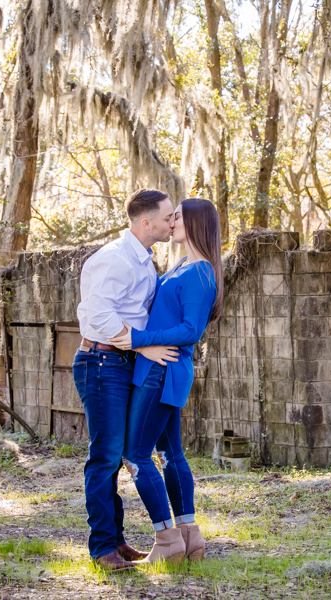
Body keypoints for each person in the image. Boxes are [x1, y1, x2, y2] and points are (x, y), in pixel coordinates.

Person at [109, 198, 224, 564]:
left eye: (178, 217)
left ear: (196, 224)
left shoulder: (201, 274)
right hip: (159, 368)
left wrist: (139, 340)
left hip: (163, 370)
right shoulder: (182, 267)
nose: (171, 222)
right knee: (169, 453)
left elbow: (191, 330)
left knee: (136, 455)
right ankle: (189, 536)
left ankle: (167, 540)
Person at [73, 189, 181, 572]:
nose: (173, 222)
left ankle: (115, 541)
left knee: (117, 456)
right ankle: (102, 548)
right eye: (168, 217)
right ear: (146, 222)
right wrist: (142, 346)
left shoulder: (143, 261)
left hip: (120, 362)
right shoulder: (116, 259)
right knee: (104, 456)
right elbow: (99, 316)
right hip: (101, 362)